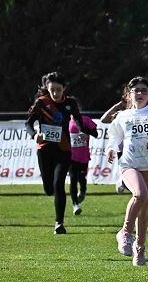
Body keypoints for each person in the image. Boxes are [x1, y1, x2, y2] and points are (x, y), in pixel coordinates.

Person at [107, 77, 148, 266]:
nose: (140, 93)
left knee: (144, 209)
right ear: (129, 94)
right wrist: (111, 148)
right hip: (128, 164)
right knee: (140, 193)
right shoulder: (123, 116)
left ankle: (140, 249)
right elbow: (114, 136)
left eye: (144, 90)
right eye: (136, 90)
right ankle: (125, 232)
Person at [24, 72, 98, 234]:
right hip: (44, 149)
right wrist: (34, 135)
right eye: (52, 90)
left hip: (63, 150)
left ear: (64, 88)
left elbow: (78, 121)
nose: (56, 93)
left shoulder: (70, 103)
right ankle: (51, 195)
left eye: (59, 89)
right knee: (49, 189)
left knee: (59, 185)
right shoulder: (41, 103)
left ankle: (59, 223)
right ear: (47, 89)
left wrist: (90, 130)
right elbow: (28, 123)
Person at [67, 98, 99, 216]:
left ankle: (83, 189)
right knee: (73, 178)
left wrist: (87, 133)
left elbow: (96, 133)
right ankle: (75, 204)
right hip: (70, 156)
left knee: (81, 177)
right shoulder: (65, 121)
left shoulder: (85, 120)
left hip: (83, 155)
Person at [100, 90, 130, 194]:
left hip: (138, 147)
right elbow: (103, 119)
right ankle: (122, 181)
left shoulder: (139, 114)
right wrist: (116, 106)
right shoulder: (120, 114)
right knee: (128, 168)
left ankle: (123, 181)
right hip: (123, 148)